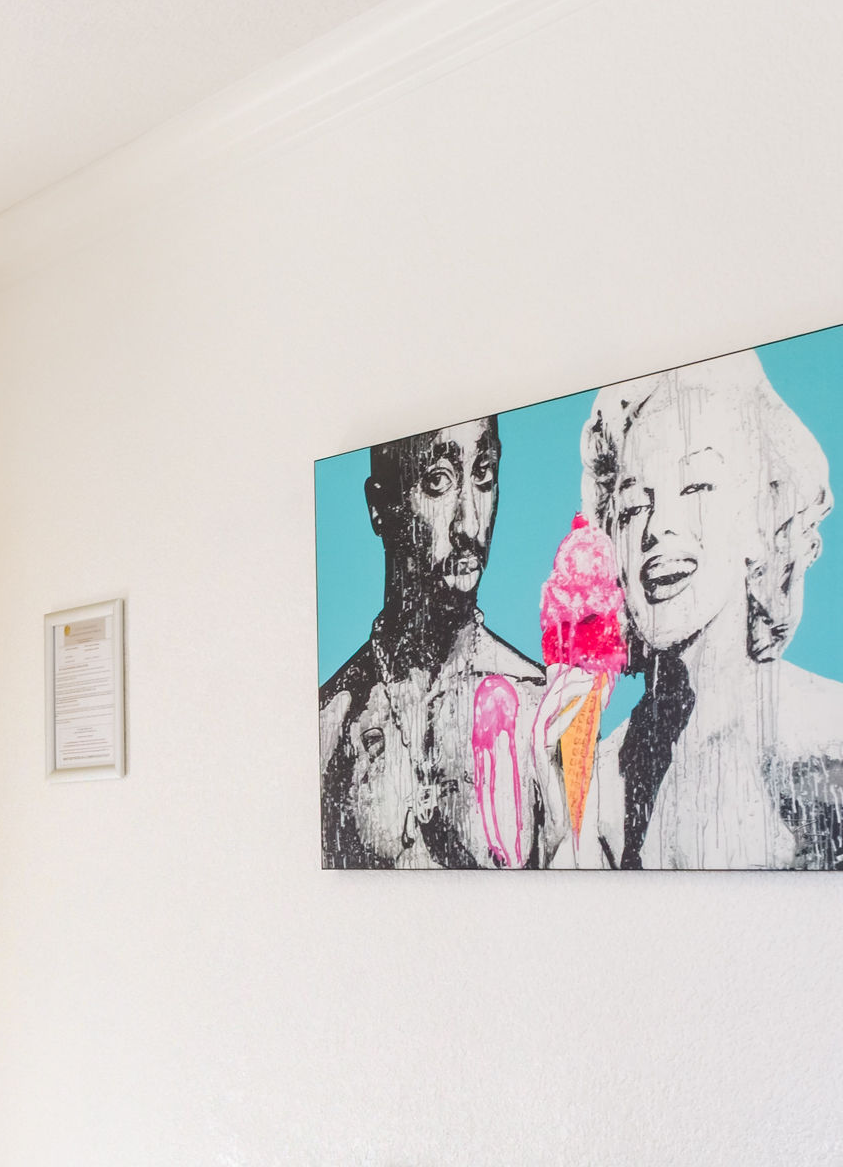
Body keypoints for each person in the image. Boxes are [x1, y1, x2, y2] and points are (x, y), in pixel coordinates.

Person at [587, 355, 843, 869]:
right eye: (634, 506)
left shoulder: (826, 739)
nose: (657, 527)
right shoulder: (602, 781)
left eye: (696, 487)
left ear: (761, 519)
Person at [320, 416, 540, 867]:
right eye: (439, 482)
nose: (469, 523)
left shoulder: (534, 703)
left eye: (483, 476)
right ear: (381, 507)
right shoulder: (331, 722)